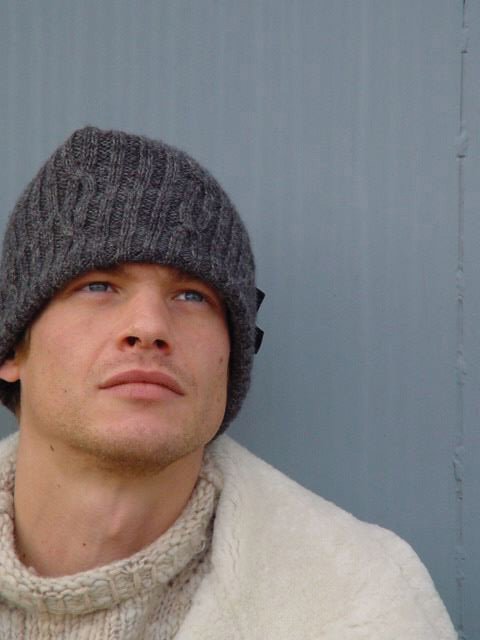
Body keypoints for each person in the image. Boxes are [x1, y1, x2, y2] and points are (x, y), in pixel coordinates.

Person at [0, 126, 455, 639]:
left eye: (192, 296)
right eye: (98, 286)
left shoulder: (364, 604)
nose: (149, 327)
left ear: (231, 358)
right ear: (14, 347)